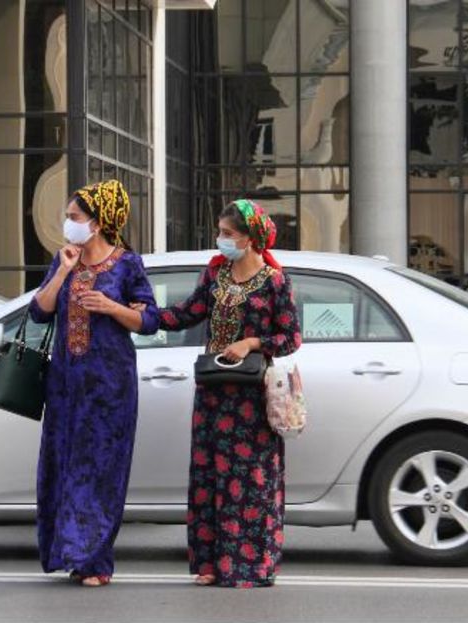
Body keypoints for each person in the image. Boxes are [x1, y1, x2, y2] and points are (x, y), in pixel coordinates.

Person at [154, 199, 302, 588]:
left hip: (251, 399)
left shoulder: (275, 281)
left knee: (250, 481)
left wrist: (251, 342)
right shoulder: (215, 274)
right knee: (208, 475)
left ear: (252, 239)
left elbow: (290, 339)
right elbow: (187, 314)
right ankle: (209, 563)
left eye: (228, 234)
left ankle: (249, 566)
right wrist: (142, 314)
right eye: (220, 233)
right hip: (212, 395)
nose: (221, 241)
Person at [28, 179, 160, 587]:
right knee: (64, 466)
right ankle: (67, 552)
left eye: (74, 218)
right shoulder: (63, 258)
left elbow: (150, 320)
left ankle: (96, 561)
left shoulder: (127, 265)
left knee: (101, 470)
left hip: (110, 387)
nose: (68, 224)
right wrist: (63, 271)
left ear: (99, 223)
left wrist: (112, 306)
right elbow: (38, 312)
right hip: (65, 384)